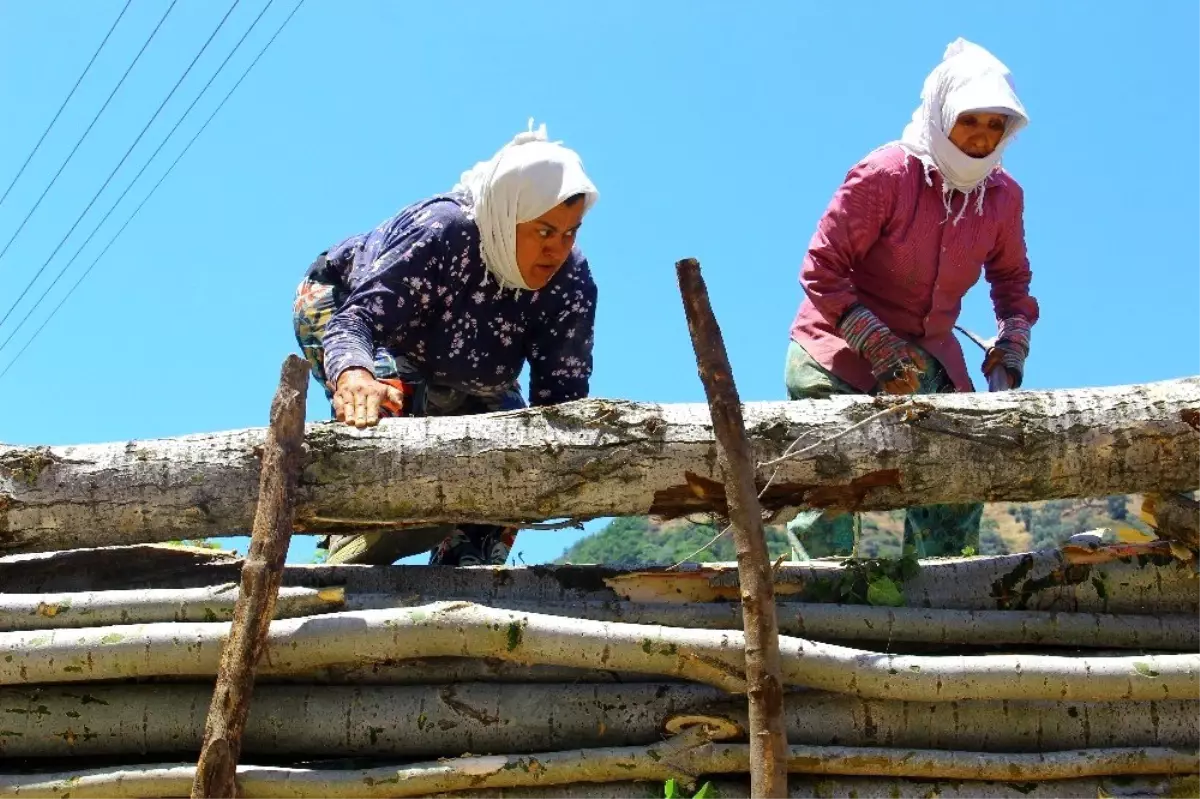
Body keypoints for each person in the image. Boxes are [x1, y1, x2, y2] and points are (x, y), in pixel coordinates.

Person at [293, 121, 599, 566]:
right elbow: (356, 321)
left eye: (570, 232)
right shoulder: (444, 231)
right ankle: (361, 523)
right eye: (544, 231)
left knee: (518, 443)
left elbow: (558, 408)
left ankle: (464, 561)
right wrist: (355, 375)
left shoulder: (570, 282)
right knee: (382, 401)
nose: (557, 249)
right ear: (507, 215)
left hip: (464, 364)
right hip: (356, 314)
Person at [784, 38, 1039, 559]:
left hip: (929, 353)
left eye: (996, 125)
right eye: (971, 120)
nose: (981, 137)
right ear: (943, 112)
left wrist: (1013, 340)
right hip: (836, 350)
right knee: (835, 482)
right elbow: (822, 269)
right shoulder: (885, 174)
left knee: (957, 475)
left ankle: (939, 611)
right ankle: (816, 615)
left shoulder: (1004, 196)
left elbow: (1011, 282)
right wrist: (875, 344)